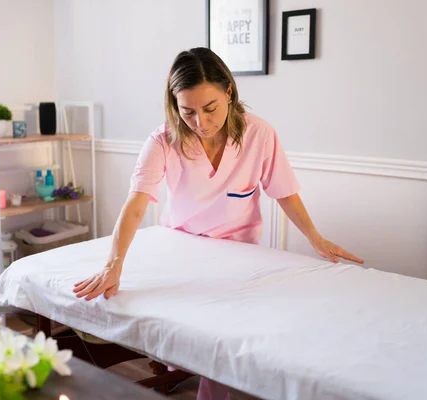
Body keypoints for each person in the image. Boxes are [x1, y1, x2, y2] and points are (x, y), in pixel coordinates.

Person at [73, 47, 364, 400]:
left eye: (210, 108)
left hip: (238, 254)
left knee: (222, 335)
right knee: (184, 337)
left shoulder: (260, 135)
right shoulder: (163, 140)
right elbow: (136, 203)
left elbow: (284, 191)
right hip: (180, 247)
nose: (201, 122)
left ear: (229, 90)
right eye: (188, 112)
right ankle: (174, 368)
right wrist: (113, 264)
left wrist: (315, 238)